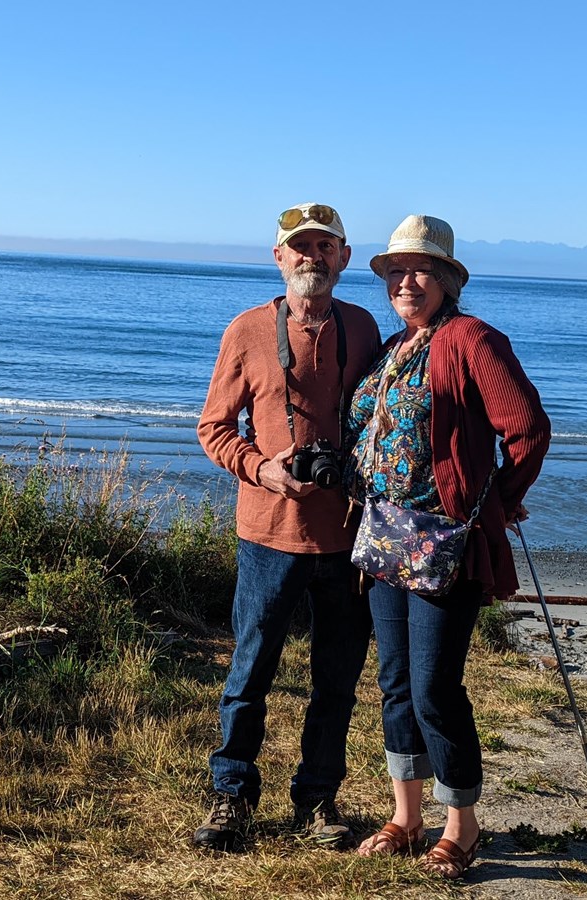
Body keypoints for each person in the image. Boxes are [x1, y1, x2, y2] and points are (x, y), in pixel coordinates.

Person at [346, 214, 550, 878]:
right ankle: (406, 817)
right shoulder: (393, 346)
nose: (408, 281)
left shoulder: (471, 339)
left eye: (422, 271)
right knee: (396, 683)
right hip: (384, 543)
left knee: (435, 687)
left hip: (444, 546)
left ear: (447, 281)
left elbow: (526, 429)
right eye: (398, 272)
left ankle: (461, 825)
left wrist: (499, 498)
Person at [193, 203, 383, 852]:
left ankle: (318, 800)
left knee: (336, 679)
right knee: (250, 671)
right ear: (279, 258)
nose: (312, 257)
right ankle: (231, 797)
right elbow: (213, 430)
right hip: (268, 531)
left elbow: (383, 422)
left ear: (344, 258)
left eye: (325, 247)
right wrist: (263, 469)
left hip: (347, 533)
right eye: (299, 247)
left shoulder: (363, 327)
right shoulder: (247, 331)